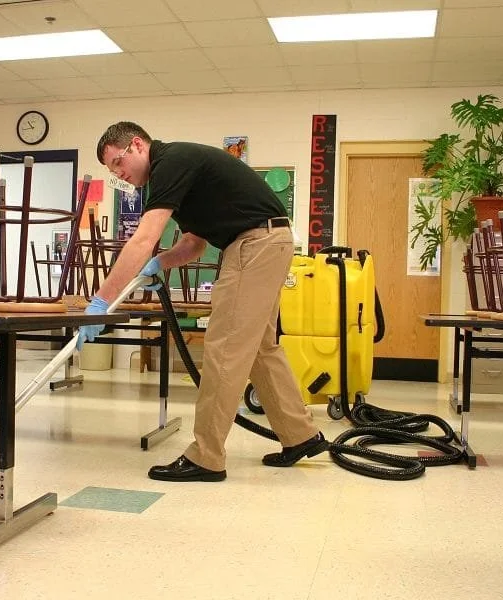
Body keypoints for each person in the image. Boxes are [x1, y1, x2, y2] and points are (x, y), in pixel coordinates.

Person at [77, 121, 327, 482]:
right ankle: (300, 435)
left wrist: (101, 300)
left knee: (225, 349)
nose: (119, 175)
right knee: (260, 347)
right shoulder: (177, 169)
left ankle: (206, 457)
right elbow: (194, 243)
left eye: (117, 163)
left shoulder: (170, 162)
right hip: (270, 240)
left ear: (136, 145)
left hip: (254, 244)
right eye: (110, 171)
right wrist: (160, 263)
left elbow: (144, 237)